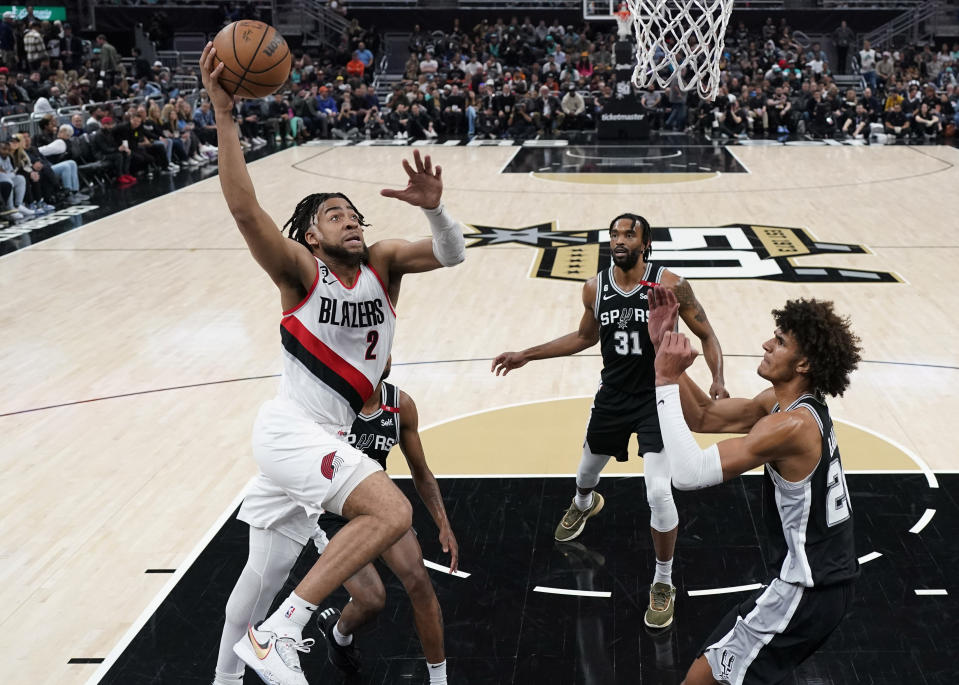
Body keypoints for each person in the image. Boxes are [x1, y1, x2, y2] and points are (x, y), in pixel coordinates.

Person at [199, 42, 466, 685]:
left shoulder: (384, 264)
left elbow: (453, 254)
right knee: (391, 512)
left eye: (355, 214)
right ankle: (285, 633)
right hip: (292, 430)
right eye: (334, 216)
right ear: (310, 236)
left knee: (251, 590)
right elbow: (243, 209)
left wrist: (433, 206)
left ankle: (229, 673)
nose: (350, 222)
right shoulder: (299, 273)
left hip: (321, 440)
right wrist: (225, 116)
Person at [491, 213, 727, 630]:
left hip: (658, 396)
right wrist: (526, 354)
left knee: (658, 491)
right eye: (614, 234)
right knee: (586, 472)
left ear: (646, 244)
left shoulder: (671, 285)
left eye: (628, 235)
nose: (618, 241)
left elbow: (707, 334)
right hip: (614, 397)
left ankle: (663, 581)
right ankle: (584, 503)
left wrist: (717, 380)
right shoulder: (594, 288)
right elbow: (584, 338)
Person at [647, 286, 860, 685]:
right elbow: (706, 416)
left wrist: (663, 376)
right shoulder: (783, 405)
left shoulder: (791, 427)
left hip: (806, 590)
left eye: (779, 342)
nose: (765, 343)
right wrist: (663, 349)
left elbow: (688, 474)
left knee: (700, 680)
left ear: (803, 364)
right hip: (822, 584)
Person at [214, 360, 458, 685]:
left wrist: (443, 522)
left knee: (419, 580)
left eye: (381, 344)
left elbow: (421, 471)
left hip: (375, 503)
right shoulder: (329, 403)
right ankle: (300, 630)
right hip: (332, 510)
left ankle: (437, 679)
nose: (380, 355)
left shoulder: (399, 406)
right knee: (372, 599)